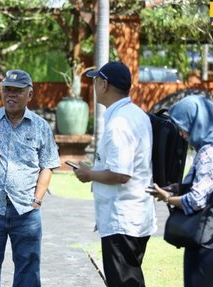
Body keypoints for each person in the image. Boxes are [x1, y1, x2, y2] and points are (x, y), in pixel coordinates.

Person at [0, 69, 60, 287]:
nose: (11, 95)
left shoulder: (40, 126)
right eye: (7, 90)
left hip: (25, 210)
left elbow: (48, 165)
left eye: (17, 91)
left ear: (30, 95)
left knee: (28, 271)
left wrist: (37, 200)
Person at [72, 61, 157, 287]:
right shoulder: (137, 114)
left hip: (122, 218)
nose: (94, 86)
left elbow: (121, 174)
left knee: (124, 282)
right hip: (135, 214)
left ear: (104, 84)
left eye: (96, 80)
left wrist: (89, 174)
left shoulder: (119, 123)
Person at [149, 95, 213, 287]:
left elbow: (197, 199)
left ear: (196, 122)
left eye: (183, 126)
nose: (180, 133)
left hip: (208, 236)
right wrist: (178, 188)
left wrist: (167, 197)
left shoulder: (208, 151)